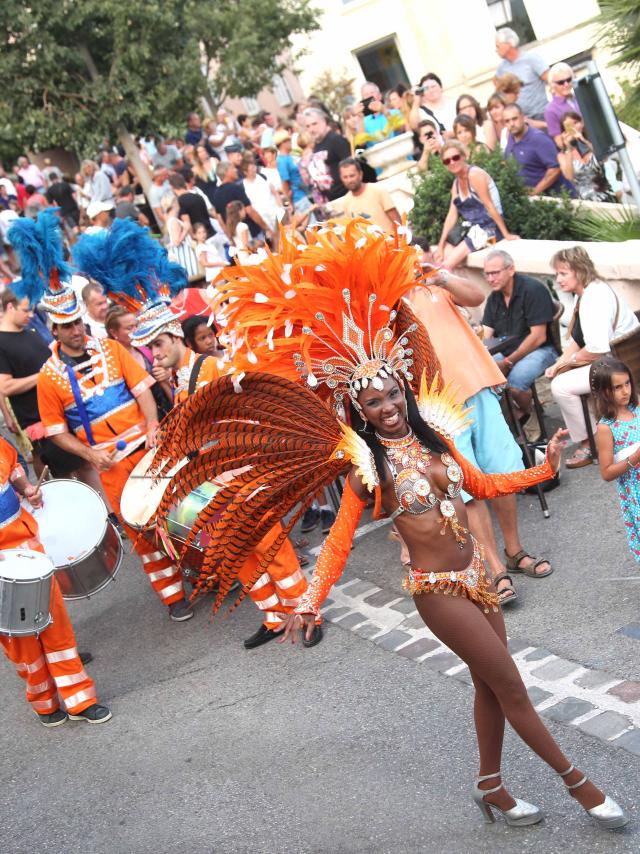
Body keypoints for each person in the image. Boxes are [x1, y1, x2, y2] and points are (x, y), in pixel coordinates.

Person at [178, 220, 627, 831]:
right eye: (374, 404)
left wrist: (538, 469)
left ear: (403, 393)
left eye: (392, 396)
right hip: (438, 592)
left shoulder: (435, 435)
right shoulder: (370, 467)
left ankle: (491, 786)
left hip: (477, 575)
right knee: (513, 685)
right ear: (358, 411)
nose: (387, 408)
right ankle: (583, 787)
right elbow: (337, 539)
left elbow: (484, 486)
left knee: (490, 686)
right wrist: (309, 600)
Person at [133, 302, 323, 650]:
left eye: (158, 344)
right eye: (150, 348)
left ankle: (306, 614)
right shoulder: (180, 380)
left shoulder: (213, 369)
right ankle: (274, 617)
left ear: (176, 336)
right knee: (239, 553)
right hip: (216, 479)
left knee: (270, 546)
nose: (154, 354)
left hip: (240, 473)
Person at [35, 275, 193, 622]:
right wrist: (91, 456)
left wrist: (153, 425)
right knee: (141, 532)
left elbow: (142, 391)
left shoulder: (111, 348)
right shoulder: (48, 377)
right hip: (112, 466)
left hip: (148, 450)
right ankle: (173, 596)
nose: (76, 329)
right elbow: (56, 432)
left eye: (78, 321)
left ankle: (208, 570)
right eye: (67, 325)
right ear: (55, 330)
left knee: (180, 511)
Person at [409, 247, 552, 605]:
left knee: (503, 475)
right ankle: (495, 569)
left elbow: (476, 297)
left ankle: (515, 552)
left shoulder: (434, 285)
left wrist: (439, 274)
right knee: (468, 487)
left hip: (477, 387)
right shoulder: (381, 306)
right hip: (438, 406)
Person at [0, 436, 112, 726]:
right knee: (20, 640)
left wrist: (26, 489)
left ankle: (80, 700)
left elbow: (12, 467)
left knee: (54, 625)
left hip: (27, 545)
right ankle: (44, 703)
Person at [546, 246, 639, 469]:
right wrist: (560, 362)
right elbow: (578, 339)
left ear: (579, 271)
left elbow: (596, 348)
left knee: (560, 386)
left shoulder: (593, 299)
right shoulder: (590, 291)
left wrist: (567, 364)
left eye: (563, 273)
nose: (558, 280)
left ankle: (589, 443)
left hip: (615, 363)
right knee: (562, 375)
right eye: (557, 274)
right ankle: (600, 433)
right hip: (612, 358)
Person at [0, 288, 87, 480]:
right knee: (65, 472)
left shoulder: (30, 334)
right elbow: (5, 387)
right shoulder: (2, 342)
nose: (30, 315)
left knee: (84, 464)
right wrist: (42, 376)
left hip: (63, 409)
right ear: (10, 307)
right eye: (25, 310)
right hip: (37, 417)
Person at [482, 249, 558, 416]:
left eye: (495, 273)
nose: (490, 279)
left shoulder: (532, 290)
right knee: (483, 378)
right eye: (486, 274)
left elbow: (538, 337)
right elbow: (486, 335)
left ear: (511, 269)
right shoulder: (494, 297)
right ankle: (512, 419)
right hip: (507, 351)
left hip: (541, 349)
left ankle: (530, 414)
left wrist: (508, 362)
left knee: (515, 385)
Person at [435, 142, 518, 270]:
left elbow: (489, 206)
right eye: (447, 161)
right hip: (475, 231)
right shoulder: (456, 184)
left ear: (464, 156)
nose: (452, 162)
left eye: (455, 157)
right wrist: (440, 245)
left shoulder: (474, 175)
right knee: (446, 251)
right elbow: (451, 215)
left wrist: (505, 234)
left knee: (447, 265)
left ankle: (438, 279)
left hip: (492, 232)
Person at [592, 356, 640, 561]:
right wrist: (635, 458)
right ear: (604, 392)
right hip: (635, 490)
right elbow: (606, 472)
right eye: (617, 387)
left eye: (627, 383)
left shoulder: (637, 409)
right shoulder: (607, 427)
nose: (625, 391)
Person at [105, 305, 173, 418]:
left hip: (167, 412)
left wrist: (166, 375)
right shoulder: (111, 362)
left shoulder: (147, 349)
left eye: (136, 326)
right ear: (113, 333)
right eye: (129, 328)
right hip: (141, 420)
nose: (135, 331)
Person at [503, 104, 574, 196]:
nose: (511, 124)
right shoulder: (510, 137)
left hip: (558, 198)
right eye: (507, 121)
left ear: (523, 117)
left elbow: (555, 169)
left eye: (514, 119)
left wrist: (534, 192)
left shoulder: (538, 139)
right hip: (533, 201)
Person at [557, 112, 615, 203]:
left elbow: (603, 158)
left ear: (582, 123)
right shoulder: (563, 155)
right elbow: (569, 177)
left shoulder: (592, 142)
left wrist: (583, 140)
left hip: (607, 194)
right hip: (586, 201)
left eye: (576, 123)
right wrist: (568, 148)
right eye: (569, 126)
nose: (574, 128)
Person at [495, 27, 548, 121]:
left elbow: (551, 79)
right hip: (520, 120)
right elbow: (498, 91)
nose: (496, 50)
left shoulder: (532, 59)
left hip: (541, 115)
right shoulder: (501, 69)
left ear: (509, 44)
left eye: (498, 46)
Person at [212, 162, 270, 243]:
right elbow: (249, 210)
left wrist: (230, 238)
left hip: (237, 238)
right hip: (252, 233)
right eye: (233, 168)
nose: (236, 170)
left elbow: (220, 220)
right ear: (227, 172)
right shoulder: (236, 188)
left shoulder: (216, 194)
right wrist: (266, 228)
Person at [338, 158, 401, 232]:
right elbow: (353, 230)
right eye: (345, 177)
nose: (349, 180)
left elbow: (396, 221)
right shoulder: (346, 202)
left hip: (390, 241)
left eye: (352, 176)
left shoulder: (378, 190)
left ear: (360, 174)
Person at [303, 107, 351, 203]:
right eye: (308, 126)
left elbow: (351, 166)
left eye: (314, 124)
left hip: (346, 196)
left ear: (324, 121)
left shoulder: (336, 140)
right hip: (332, 199)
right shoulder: (317, 144)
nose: (311, 129)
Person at [274, 130, 313, 217]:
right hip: (299, 198)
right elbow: (285, 182)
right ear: (283, 143)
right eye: (288, 140)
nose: (290, 142)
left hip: (306, 193)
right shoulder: (281, 160)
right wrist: (290, 203)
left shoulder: (290, 156)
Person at [241, 154, 282, 232]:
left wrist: (281, 208)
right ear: (245, 172)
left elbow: (275, 193)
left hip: (276, 212)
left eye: (254, 167)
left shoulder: (263, 177)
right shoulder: (244, 186)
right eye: (251, 168)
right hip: (264, 219)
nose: (254, 169)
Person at [544, 63, 582, 147]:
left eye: (568, 80)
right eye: (561, 82)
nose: (566, 84)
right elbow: (559, 143)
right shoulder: (550, 110)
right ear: (552, 84)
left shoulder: (580, 97)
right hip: (578, 151)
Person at [45, 170, 80, 234]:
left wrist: (57, 212)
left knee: (73, 226)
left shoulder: (50, 190)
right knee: (79, 224)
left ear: (50, 180)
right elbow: (74, 195)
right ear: (57, 177)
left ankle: (80, 238)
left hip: (64, 210)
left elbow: (51, 203)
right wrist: (78, 204)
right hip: (73, 206)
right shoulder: (65, 184)